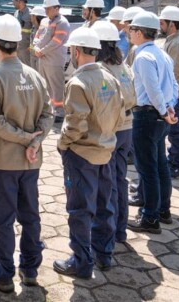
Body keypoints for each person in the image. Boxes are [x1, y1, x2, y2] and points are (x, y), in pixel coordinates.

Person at [0, 15, 52, 291]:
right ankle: (30, 269)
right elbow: (48, 114)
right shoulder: (34, 76)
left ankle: (3, 273)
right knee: (30, 215)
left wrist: (24, 139)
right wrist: (34, 143)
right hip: (31, 163)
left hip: (3, 162)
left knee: (2, 219)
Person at [53, 27, 124, 279]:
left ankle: (81, 262)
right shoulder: (109, 78)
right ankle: (104, 255)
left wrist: (62, 143)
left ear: (77, 51)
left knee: (80, 210)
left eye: (71, 50)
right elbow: (120, 112)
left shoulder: (78, 83)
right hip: (106, 150)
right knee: (105, 204)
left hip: (82, 155)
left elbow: (75, 124)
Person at [125, 12, 179, 234]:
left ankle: (150, 218)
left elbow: (152, 89)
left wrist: (164, 109)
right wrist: (169, 107)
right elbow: (174, 86)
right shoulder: (162, 54)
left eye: (131, 30)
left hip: (148, 116)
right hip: (160, 115)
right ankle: (163, 210)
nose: (129, 34)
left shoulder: (143, 57)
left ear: (138, 32)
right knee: (159, 166)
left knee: (148, 169)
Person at [91, 20, 136, 245]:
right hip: (126, 129)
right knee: (120, 179)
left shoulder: (101, 71)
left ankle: (105, 237)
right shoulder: (123, 65)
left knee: (106, 184)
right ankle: (120, 230)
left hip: (110, 131)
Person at [159, 6, 179, 178]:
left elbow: (176, 72)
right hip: (171, 93)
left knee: (175, 129)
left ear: (172, 24)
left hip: (174, 95)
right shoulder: (172, 40)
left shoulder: (177, 44)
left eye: (162, 23)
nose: (160, 26)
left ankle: (178, 163)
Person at [34, 0, 70, 123]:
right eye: (45, 9)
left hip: (54, 60)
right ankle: (48, 109)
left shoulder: (62, 23)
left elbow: (56, 42)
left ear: (57, 8)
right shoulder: (44, 21)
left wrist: (41, 51)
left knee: (56, 86)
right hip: (43, 59)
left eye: (48, 9)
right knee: (45, 85)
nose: (46, 11)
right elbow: (37, 36)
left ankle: (59, 112)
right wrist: (36, 47)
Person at [12, 0, 32, 65]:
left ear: (20, 1)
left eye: (14, 1)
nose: (13, 3)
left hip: (26, 48)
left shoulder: (30, 14)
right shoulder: (16, 13)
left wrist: (31, 46)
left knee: (26, 67)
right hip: (16, 46)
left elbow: (35, 31)